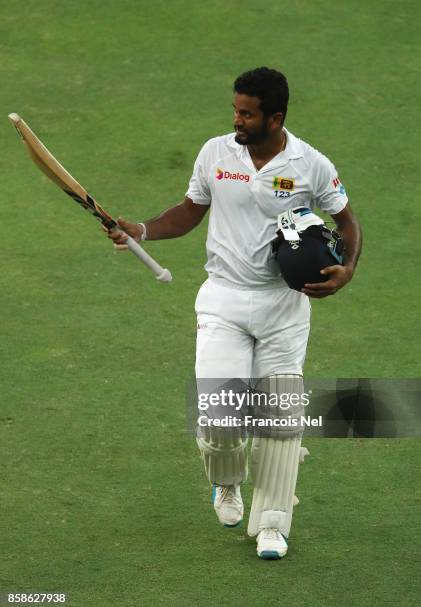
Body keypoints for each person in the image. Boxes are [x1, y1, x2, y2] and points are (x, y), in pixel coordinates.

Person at [106, 67, 362, 560]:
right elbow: (189, 211)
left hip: (284, 307)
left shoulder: (309, 164)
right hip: (223, 298)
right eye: (235, 110)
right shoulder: (215, 153)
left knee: (281, 420)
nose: (237, 119)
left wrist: (346, 270)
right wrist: (141, 229)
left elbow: (347, 221)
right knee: (221, 414)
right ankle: (226, 484)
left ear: (276, 117)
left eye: (247, 113)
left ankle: (272, 523)